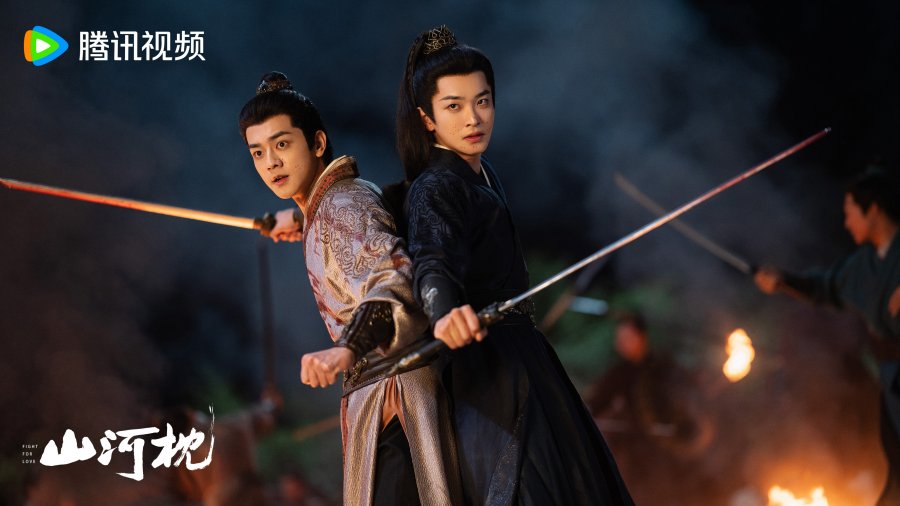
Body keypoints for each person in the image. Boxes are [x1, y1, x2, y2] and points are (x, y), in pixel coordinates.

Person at [395, 26, 634, 505]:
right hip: (490, 376)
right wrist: (445, 311)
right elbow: (432, 259)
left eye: (482, 101)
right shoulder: (436, 186)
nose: (473, 118)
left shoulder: (482, 172)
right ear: (426, 118)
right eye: (454, 106)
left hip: (525, 358)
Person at [239, 72, 461, 505]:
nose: (271, 163)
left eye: (282, 144)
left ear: (317, 143)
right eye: (258, 152)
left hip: (397, 395)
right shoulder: (333, 204)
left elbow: (392, 281)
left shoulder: (343, 204)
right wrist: (302, 218)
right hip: (381, 393)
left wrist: (347, 348)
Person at [754, 167, 900, 505]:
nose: (846, 223)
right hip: (892, 378)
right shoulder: (862, 266)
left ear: (872, 210)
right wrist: (784, 282)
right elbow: (824, 287)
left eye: (850, 212)